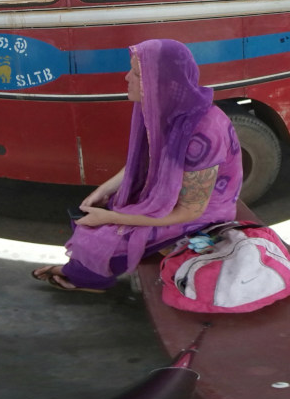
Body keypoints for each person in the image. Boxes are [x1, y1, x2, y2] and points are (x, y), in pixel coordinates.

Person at [33, 39, 240, 293]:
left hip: (204, 212)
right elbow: (149, 161)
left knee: (103, 238)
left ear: (163, 83)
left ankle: (80, 278)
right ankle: (78, 274)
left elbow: (191, 211)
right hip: (168, 196)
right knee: (96, 222)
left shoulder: (203, 132)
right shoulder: (161, 108)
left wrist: (111, 216)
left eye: (138, 73)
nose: (126, 77)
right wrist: (104, 189)